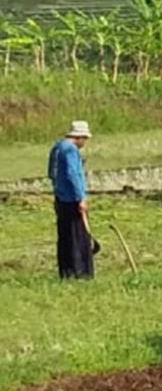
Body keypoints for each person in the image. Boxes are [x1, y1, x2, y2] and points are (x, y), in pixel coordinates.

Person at [47, 120, 94, 279]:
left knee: (65, 235)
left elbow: (51, 173)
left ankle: (65, 271)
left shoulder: (57, 147)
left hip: (60, 197)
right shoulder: (71, 150)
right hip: (72, 199)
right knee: (78, 237)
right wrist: (80, 197)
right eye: (84, 139)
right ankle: (79, 271)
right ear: (79, 137)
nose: (85, 142)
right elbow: (73, 174)